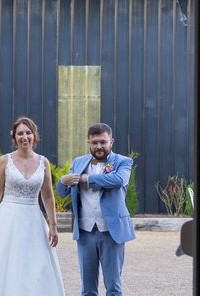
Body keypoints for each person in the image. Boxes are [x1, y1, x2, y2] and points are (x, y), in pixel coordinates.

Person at [0, 116, 65, 296]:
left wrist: (53, 226)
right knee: (1, 262)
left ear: (34, 136)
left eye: (28, 133)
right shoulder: (5, 161)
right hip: (7, 218)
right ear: (14, 137)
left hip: (33, 219)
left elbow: (47, 196)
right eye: (20, 133)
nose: (24, 137)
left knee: (34, 263)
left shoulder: (43, 162)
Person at [56, 123, 135, 296]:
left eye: (102, 142)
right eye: (94, 142)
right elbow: (61, 192)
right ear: (89, 143)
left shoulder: (123, 161)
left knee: (113, 286)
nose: (98, 146)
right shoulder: (78, 162)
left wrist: (86, 179)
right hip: (85, 232)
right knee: (87, 288)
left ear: (111, 142)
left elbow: (117, 181)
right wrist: (63, 181)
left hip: (111, 231)